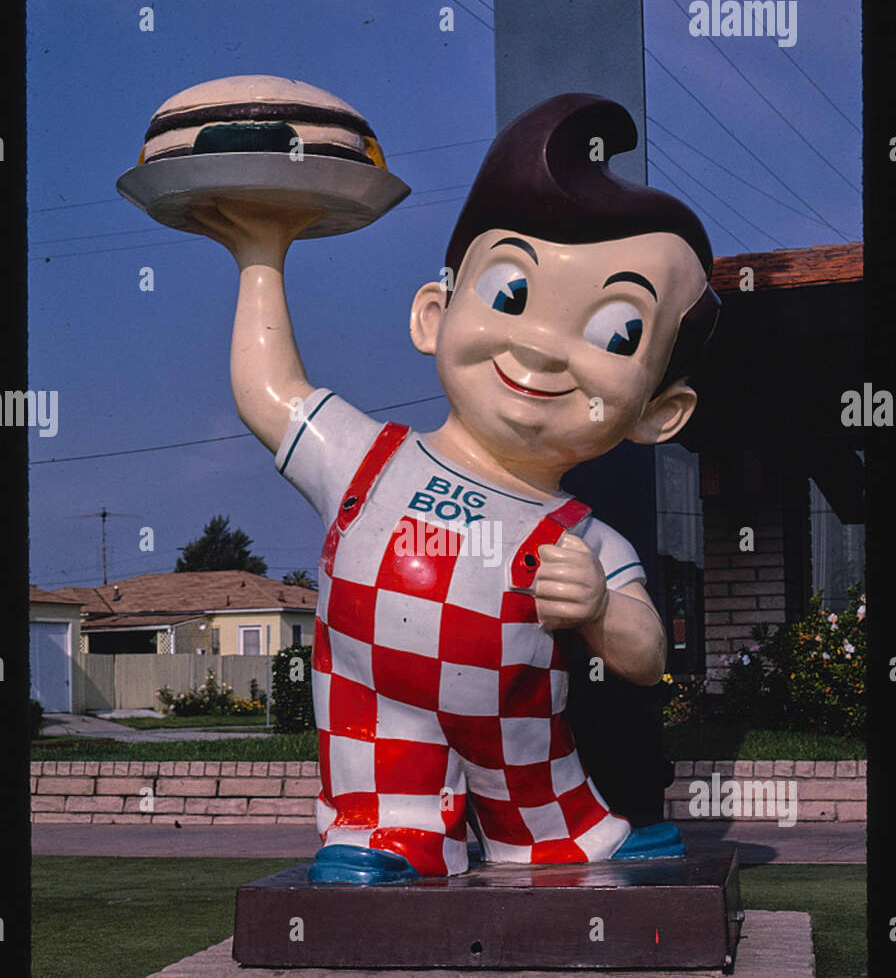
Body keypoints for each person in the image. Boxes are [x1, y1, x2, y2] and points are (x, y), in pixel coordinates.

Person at [190, 94, 719, 883]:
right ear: (434, 315)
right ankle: (386, 832)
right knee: (383, 795)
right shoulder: (365, 458)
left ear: (658, 412)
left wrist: (604, 611)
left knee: (542, 801)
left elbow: (648, 656)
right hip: (377, 717)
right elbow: (271, 391)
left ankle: (556, 836)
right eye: (511, 294)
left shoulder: (584, 535)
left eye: (615, 332)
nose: (540, 349)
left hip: (520, 729)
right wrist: (260, 257)